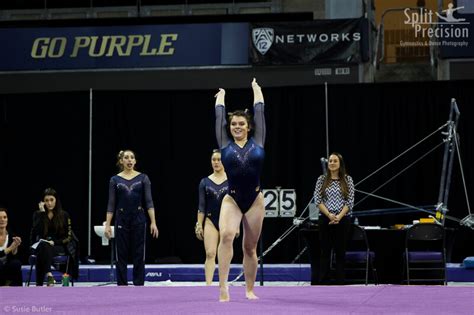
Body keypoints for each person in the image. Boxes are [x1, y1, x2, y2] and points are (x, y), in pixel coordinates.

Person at [214, 78, 266, 302]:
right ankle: (223, 287)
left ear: (249, 127)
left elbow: (260, 111)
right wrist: (222, 95)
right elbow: (218, 116)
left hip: (255, 199)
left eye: (241, 124)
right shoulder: (224, 143)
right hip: (232, 198)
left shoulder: (259, 141)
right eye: (234, 124)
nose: (237, 127)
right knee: (226, 235)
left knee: (250, 248)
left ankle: (249, 289)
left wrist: (256, 89)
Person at [104, 149, 159, 286]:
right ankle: (122, 285)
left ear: (135, 161)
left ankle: (139, 284)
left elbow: (149, 201)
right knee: (121, 254)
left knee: (139, 253)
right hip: (121, 218)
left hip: (138, 218)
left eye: (132, 157)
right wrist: (107, 225)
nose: (129, 160)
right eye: (126, 157)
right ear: (121, 161)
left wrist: (153, 222)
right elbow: (111, 203)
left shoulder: (143, 178)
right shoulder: (115, 180)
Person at [314, 152, 354, 285]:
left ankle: (340, 282)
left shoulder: (347, 179)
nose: (331, 163)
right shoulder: (321, 179)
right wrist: (329, 215)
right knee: (325, 250)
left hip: (343, 219)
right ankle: (323, 281)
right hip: (326, 218)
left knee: (340, 251)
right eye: (330, 161)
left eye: (334, 161)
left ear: (340, 164)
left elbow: (350, 201)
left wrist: (339, 216)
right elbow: (318, 200)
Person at [195, 149, 228, 285]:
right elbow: (201, 206)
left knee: (223, 255)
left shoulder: (231, 180)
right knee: (210, 253)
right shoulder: (204, 182)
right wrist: (198, 224)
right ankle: (208, 285)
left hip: (227, 220)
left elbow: (237, 204)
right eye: (213, 160)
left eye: (219, 159)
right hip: (210, 220)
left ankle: (222, 285)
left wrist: (237, 224)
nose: (216, 162)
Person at [30, 188, 73, 286]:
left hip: (58, 246)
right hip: (41, 245)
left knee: (42, 250)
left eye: (51, 200)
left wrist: (55, 242)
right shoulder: (37, 214)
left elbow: (69, 237)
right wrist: (42, 213)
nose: (49, 203)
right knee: (43, 246)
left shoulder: (64, 215)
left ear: (56, 200)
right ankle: (49, 275)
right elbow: (38, 233)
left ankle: (40, 283)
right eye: (46, 200)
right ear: (42, 202)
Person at [0, 208, 23, 286]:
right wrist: (10, 248)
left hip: (6, 269)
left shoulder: (11, 235)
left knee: (16, 263)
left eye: (4, 217)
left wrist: (15, 247)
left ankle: (7, 286)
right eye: (0, 218)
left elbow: (14, 256)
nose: (2, 220)